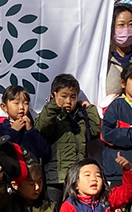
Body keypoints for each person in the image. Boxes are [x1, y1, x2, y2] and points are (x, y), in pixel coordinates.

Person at [35, 74, 102, 202]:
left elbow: (95, 130)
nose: (68, 101)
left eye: (73, 97)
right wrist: (54, 105)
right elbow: (41, 127)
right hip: (55, 178)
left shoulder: (80, 117)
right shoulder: (51, 116)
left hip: (77, 178)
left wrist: (89, 108)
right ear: (54, 95)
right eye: (63, 96)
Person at [0, 85, 50, 164]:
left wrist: (31, 130)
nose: (21, 107)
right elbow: (0, 153)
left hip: (33, 175)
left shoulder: (32, 128)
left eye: (25, 103)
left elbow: (45, 152)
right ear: (4, 107)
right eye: (16, 103)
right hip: (11, 175)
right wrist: (13, 131)